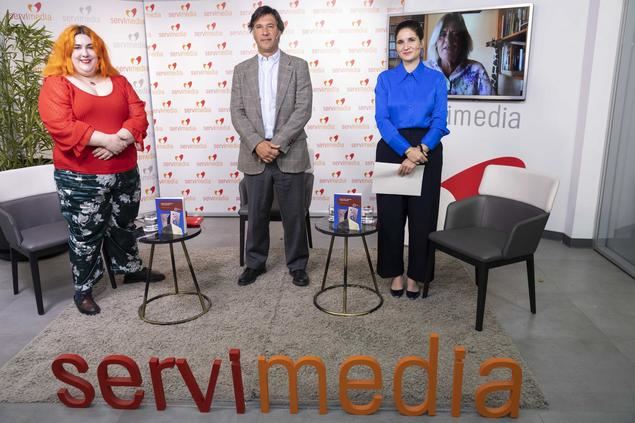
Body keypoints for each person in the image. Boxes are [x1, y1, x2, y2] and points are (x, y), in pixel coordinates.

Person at [38, 25, 164, 316]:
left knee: (124, 224)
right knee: (85, 234)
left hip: (125, 170)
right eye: (77, 48)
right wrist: (107, 140)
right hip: (80, 177)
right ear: (67, 53)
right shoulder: (57, 83)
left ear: (99, 51)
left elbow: (138, 114)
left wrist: (120, 140)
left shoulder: (118, 81)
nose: (85, 53)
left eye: (90, 47)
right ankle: (83, 289)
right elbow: (60, 124)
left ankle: (129, 269)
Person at [230, 6, 313, 287]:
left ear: (279, 30)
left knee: (294, 215)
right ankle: (254, 264)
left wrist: (275, 144)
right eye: (259, 27)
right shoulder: (241, 70)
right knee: (256, 214)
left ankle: (298, 265)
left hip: (289, 151)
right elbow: (237, 112)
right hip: (255, 154)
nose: (265, 32)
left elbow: (303, 109)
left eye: (270, 26)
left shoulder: (298, 66)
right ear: (252, 33)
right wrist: (258, 144)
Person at [375, 20, 449, 299]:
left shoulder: (436, 80)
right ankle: (395, 273)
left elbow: (440, 122)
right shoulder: (385, 79)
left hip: (427, 151)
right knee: (391, 217)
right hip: (392, 148)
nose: (405, 46)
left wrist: (420, 152)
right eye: (400, 41)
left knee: (422, 218)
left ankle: (417, 275)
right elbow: (382, 120)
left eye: (411, 40)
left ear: (421, 43)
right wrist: (407, 151)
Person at [424, 13, 493, 95]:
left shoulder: (477, 70)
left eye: (455, 34)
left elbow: (490, 102)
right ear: (435, 41)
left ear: (463, 41)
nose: (448, 40)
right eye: (442, 34)